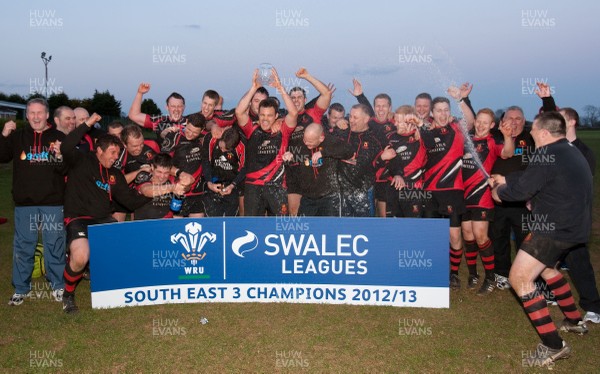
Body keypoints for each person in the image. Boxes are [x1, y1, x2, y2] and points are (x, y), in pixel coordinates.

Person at [491, 111, 591, 367]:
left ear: (545, 133)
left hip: (554, 230)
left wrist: (499, 190)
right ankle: (573, 320)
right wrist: (508, 179)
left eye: (533, 129)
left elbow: (518, 192)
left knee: (520, 278)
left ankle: (553, 345)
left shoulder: (547, 155)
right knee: (546, 269)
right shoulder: (566, 150)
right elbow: (539, 178)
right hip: (574, 228)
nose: (530, 132)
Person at [59, 113, 186, 313]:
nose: (115, 157)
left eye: (118, 154)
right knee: (81, 256)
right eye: (111, 152)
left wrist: (152, 188)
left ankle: (120, 288)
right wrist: (88, 123)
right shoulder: (81, 160)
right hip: (78, 217)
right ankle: (67, 294)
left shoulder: (114, 174)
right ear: (99, 150)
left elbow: (130, 201)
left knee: (123, 251)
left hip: (103, 219)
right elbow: (66, 146)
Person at [0, 98, 67, 306]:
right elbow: (2, 157)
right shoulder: (18, 136)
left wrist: (59, 155)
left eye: (40, 113)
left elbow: (65, 170)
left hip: (52, 201)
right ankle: (21, 288)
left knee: (54, 244)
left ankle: (57, 285)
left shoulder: (58, 137)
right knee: (23, 245)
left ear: (47, 115)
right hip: (25, 202)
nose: (36, 117)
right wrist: (3, 135)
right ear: (26, 115)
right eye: (32, 113)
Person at [417, 93, 473, 289]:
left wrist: (461, 100)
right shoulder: (425, 131)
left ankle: (454, 274)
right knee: (431, 236)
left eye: (446, 110)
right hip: (429, 192)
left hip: (452, 190)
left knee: (455, 236)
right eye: (439, 110)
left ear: (450, 113)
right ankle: (432, 271)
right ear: (432, 112)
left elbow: (471, 121)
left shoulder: (456, 129)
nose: (442, 114)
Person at [460, 108, 514, 295]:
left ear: (492, 125)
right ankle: (473, 274)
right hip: (463, 196)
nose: (481, 125)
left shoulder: (492, 142)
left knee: (480, 236)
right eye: (479, 121)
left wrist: (507, 137)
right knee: (468, 236)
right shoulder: (466, 139)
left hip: (481, 195)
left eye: (486, 122)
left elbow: (507, 153)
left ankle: (490, 276)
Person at [234, 67, 298, 216]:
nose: (265, 119)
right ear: (258, 114)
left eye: (269, 115)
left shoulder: (283, 129)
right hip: (252, 187)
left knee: (280, 225)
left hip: (276, 186)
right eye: (262, 115)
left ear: (276, 115)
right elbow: (239, 112)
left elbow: (293, 112)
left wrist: (281, 88)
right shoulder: (252, 130)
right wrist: (253, 88)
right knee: (252, 227)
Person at [489, 106, 535, 290]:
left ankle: (527, 275)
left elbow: (553, 122)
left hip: (522, 200)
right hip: (497, 198)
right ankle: (502, 273)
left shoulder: (531, 137)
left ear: (524, 122)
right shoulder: (495, 136)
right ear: (502, 122)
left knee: (525, 239)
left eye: (518, 119)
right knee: (498, 236)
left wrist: (547, 99)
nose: (514, 122)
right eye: (510, 118)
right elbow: (475, 122)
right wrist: (463, 99)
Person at [286, 68, 332, 216]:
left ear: (305, 100)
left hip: (313, 170)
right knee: (294, 213)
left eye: (299, 97)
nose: (296, 100)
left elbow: (326, 93)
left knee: (315, 215)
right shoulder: (283, 118)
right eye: (292, 97)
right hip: (293, 171)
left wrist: (307, 76)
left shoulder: (313, 113)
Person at [282, 123, 354, 216]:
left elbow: (348, 151)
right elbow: (294, 156)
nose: (306, 143)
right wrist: (290, 156)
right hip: (308, 197)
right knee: (305, 227)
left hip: (329, 196)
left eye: (310, 141)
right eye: (305, 139)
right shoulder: (302, 143)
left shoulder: (331, 141)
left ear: (321, 138)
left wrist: (323, 153)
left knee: (329, 228)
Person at [350, 79, 395, 217]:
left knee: (383, 218)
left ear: (390, 108)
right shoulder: (371, 124)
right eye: (378, 106)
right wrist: (360, 96)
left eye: (384, 106)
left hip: (388, 179)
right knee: (368, 215)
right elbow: (365, 113)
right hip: (370, 178)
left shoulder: (397, 124)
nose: (381, 109)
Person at [376, 106, 427, 218]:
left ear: (410, 122)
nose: (395, 124)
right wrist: (397, 174)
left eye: (399, 121)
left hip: (413, 189)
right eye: (395, 120)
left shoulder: (420, 136)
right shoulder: (390, 136)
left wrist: (420, 126)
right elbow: (391, 160)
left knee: (412, 227)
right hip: (393, 187)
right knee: (393, 228)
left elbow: (432, 143)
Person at [334, 104, 384, 217]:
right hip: (341, 191)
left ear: (366, 119)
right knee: (344, 227)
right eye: (350, 116)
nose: (351, 120)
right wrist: (337, 127)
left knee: (365, 228)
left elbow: (363, 164)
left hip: (363, 190)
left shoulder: (373, 139)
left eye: (355, 117)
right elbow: (329, 147)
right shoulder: (343, 132)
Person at [161, 116, 207, 218]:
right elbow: (162, 163)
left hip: (197, 191)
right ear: (186, 122)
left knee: (197, 226)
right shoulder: (174, 136)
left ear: (202, 130)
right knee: (177, 228)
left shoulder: (205, 138)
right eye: (189, 129)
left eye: (195, 132)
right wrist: (180, 173)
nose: (190, 134)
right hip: (178, 190)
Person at [202, 126, 246, 216]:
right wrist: (209, 182)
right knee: (213, 219)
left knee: (231, 220)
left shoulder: (243, 145)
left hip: (232, 185)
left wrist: (232, 185)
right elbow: (205, 162)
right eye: (221, 147)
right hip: (213, 182)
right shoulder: (211, 138)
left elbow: (244, 168)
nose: (222, 150)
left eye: (226, 150)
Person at [133, 153, 181, 220]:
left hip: (166, 222)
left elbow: (186, 185)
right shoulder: (144, 176)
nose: (162, 176)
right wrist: (172, 188)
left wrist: (183, 181)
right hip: (144, 223)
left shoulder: (172, 179)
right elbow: (147, 191)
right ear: (152, 167)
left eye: (166, 173)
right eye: (159, 172)